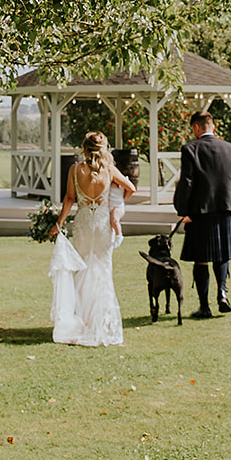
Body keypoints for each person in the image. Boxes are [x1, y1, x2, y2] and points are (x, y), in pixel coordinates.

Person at [48, 131, 136, 346]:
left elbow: (69, 199)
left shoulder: (75, 170)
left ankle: (83, 322)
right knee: (103, 273)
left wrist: (58, 224)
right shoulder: (109, 170)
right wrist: (117, 205)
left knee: (82, 271)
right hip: (103, 225)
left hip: (84, 225)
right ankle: (101, 323)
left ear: (84, 149)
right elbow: (131, 188)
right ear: (104, 149)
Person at [173, 110, 231, 318]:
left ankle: (205, 307)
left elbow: (186, 183)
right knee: (222, 255)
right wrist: (228, 197)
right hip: (226, 209)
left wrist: (183, 210)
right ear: (212, 125)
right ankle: (222, 293)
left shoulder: (190, 149)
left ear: (196, 127)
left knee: (201, 258)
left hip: (200, 212)